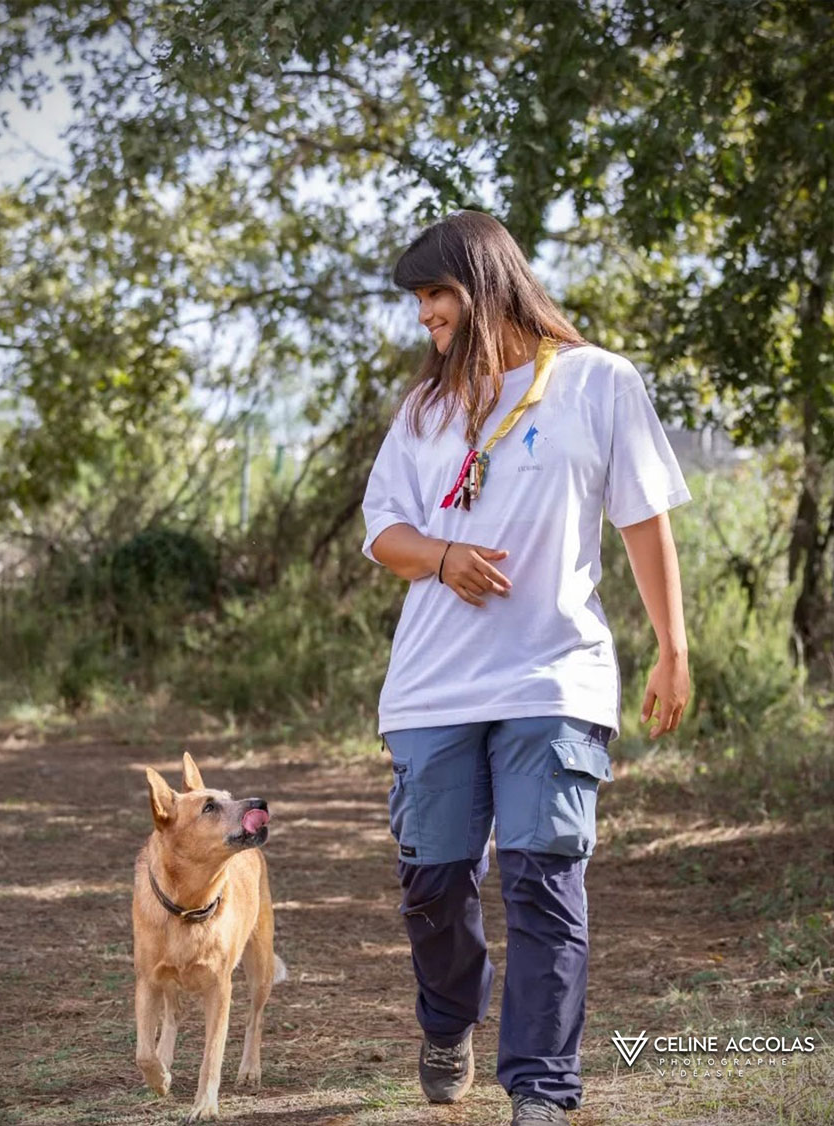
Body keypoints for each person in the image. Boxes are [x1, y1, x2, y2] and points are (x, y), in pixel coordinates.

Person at [360, 210, 691, 1125]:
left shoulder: (597, 382)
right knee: (435, 887)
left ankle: (542, 1089)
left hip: (554, 677)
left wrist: (672, 648)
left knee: (544, 879)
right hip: (432, 688)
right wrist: (441, 557)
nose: (425, 315)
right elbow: (382, 531)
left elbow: (644, 519)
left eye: (437, 295)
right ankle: (448, 1020)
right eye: (419, 301)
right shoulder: (425, 409)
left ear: (483, 285)